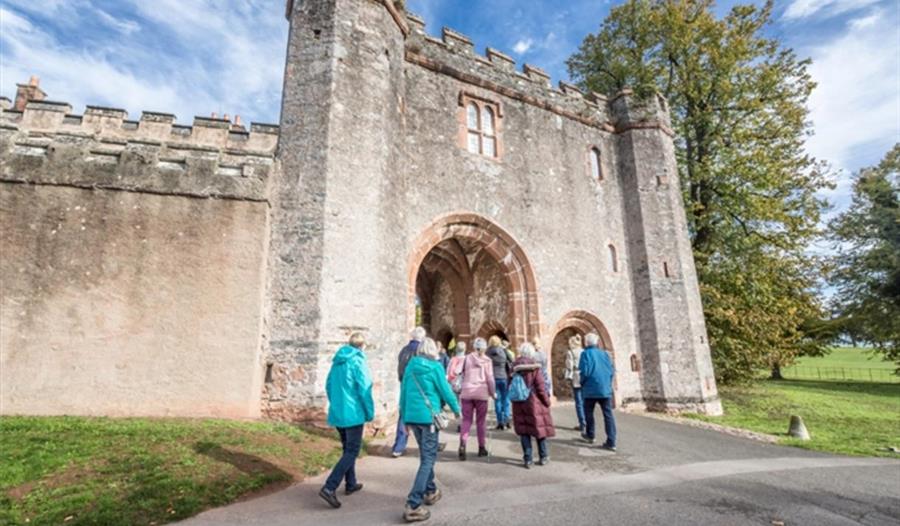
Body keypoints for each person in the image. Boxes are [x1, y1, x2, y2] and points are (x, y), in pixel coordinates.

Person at [399, 338, 461, 523]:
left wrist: (403, 418)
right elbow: (445, 391)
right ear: (433, 350)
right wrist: (457, 410)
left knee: (426, 455)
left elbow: (403, 393)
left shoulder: (411, 366)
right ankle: (413, 504)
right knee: (428, 460)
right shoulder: (435, 367)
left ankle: (430, 490)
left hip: (412, 416)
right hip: (428, 419)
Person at [318, 332, 375, 509]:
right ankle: (329, 487)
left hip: (338, 412)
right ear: (362, 346)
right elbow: (365, 388)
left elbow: (328, 386)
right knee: (352, 451)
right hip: (353, 413)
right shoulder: (358, 362)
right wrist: (369, 412)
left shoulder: (337, 362)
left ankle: (351, 483)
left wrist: (336, 403)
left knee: (347, 449)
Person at [511, 342, 555, 469]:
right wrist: (546, 401)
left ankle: (528, 459)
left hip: (519, 402)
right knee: (539, 429)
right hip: (534, 402)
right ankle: (543, 456)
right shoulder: (535, 368)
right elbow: (541, 387)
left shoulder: (514, 367)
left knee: (524, 431)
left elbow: (510, 385)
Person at [456, 337, 495, 460]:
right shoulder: (487, 361)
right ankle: (481, 448)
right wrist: (493, 393)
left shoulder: (467, 358)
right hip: (481, 393)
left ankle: (463, 443)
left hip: (467, 392)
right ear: (485, 348)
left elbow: (458, 371)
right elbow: (490, 378)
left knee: (466, 420)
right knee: (481, 421)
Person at [579, 332, 616, 451]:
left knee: (588, 412)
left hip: (590, 388)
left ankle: (591, 435)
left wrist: (582, 382)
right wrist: (608, 383)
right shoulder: (605, 354)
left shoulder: (585, 354)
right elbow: (611, 370)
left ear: (586, 343)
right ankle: (612, 441)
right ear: (597, 342)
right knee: (608, 415)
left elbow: (585, 371)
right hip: (605, 388)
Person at [393, 327, 427, 458]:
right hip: (419, 386)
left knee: (404, 414)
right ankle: (425, 446)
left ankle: (398, 446)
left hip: (404, 384)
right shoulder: (421, 350)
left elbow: (400, 367)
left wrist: (402, 379)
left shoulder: (404, 350)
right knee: (423, 414)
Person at [486, 335, 511, 430]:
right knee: (506, 400)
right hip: (504, 377)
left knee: (497, 400)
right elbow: (511, 360)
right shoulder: (503, 350)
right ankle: (507, 419)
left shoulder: (487, 352)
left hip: (493, 378)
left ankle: (500, 421)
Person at [564, 334, 586, 432]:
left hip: (576, 376)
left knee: (578, 402)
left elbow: (569, 365)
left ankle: (582, 423)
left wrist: (567, 376)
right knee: (585, 401)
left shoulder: (570, 352)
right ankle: (588, 421)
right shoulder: (583, 351)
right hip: (584, 376)